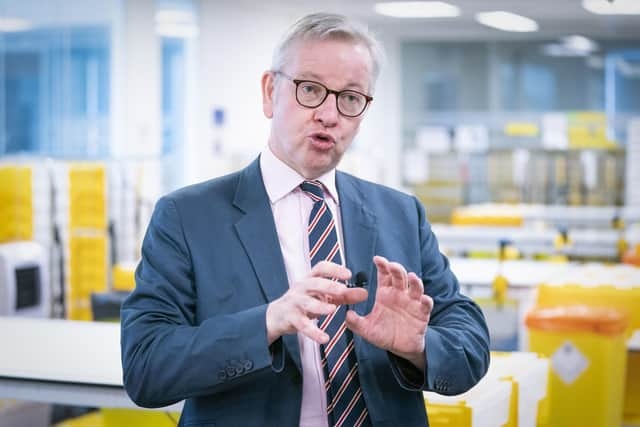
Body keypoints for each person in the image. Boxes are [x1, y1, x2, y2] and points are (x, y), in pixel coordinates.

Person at [121, 12, 490, 427]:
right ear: (269, 92)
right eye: (310, 89)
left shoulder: (401, 214)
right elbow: (145, 367)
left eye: (350, 98)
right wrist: (267, 322)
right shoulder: (186, 217)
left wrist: (418, 347)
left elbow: (471, 346)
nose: (329, 115)